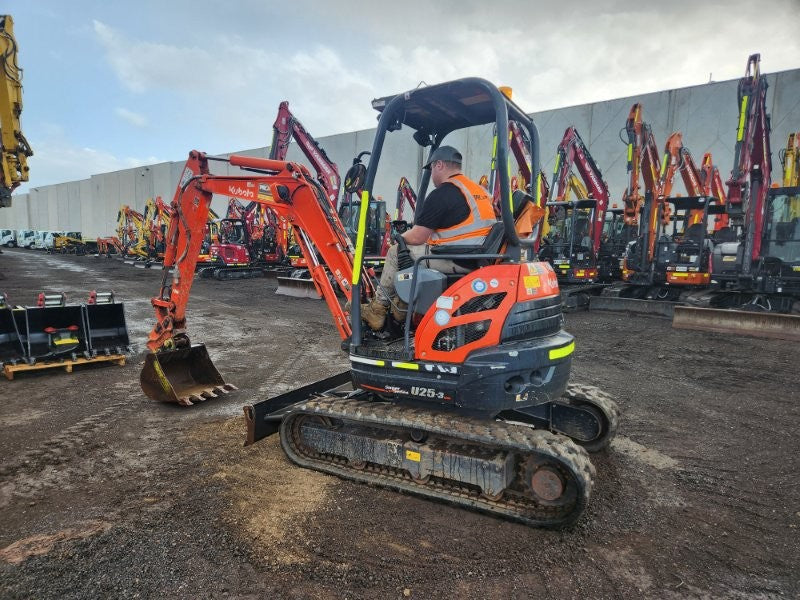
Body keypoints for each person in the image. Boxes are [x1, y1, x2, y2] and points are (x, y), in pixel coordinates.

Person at [360, 145, 497, 330]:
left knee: (394, 252)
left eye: (431, 168)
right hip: (477, 257)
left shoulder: (443, 193)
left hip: (455, 258)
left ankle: (377, 309)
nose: (431, 174)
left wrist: (399, 238)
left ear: (439, 165)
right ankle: (402, 306)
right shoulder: (478, 191)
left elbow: (417, 236)